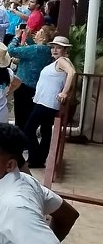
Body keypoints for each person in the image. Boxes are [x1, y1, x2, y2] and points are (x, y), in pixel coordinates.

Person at [24, 36, 76, 168]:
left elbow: (72, 72)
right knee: (45, 131)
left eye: (58, 47)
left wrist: (64, 92)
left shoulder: (63, 61)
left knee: (29, 129)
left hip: (47, 103)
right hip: (44, 101)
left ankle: (35, 158)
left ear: (65, 50)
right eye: (53, 47)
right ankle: (38, 160)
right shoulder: (57, 62)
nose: (54, 50)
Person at [7, 25, 54, 129]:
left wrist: (16, 36)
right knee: (29, 117)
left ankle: (21, 141)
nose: (36, 33)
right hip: (37, 87)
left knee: (20, 117)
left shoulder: (35, 49)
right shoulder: (47, 50)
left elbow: (11, 50)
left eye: (39, 32)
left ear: (43, 37)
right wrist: (28, 38)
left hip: (23, 85)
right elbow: (34, 51)